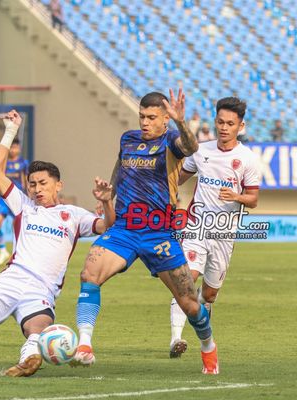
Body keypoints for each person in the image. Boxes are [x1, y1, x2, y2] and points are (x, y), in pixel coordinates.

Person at [0, 110, 115, 377]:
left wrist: (107, 201)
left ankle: (28, 360)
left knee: (37, 331)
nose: (37, 189)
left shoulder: (74, 216)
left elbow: (107, 225)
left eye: (43, 183)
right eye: (32, 184)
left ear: (58, 185)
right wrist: (10, 131)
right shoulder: (24, 207)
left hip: (42, 290)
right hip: (10, 281)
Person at [70, 88, 220, 375]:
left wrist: (181, 122)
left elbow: (191, 148)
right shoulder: (128, 139)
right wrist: (108, 194)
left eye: (152, 117)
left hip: (159, 233)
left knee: (189, 303)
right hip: (125, 228)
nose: (145, 122)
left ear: (165, 119)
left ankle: (208, 347)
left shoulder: (171, 142)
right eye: (142, 116)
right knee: (90, 274)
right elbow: (121, 164)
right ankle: (85, 346)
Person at [168, 97, 260, 359]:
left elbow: (253, 199)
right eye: (220, 122)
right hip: (197, 227)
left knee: (208, 294)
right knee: (186, 281)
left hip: (223, 233)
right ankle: (176, 338)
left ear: (240, 126)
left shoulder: (247, 159)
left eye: (230, 123)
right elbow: (178, 178)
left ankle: (203, 334)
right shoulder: (200, 150)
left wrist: (237, 197)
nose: (224, 127)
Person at [0, 137, 28, 266]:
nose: (13, 150)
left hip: (17, 198)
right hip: (3, 198)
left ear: (19, 149)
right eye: (11, 147)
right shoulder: (4, 163)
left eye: (15, 147)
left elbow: (27, 182)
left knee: (17, 227)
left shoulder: (24, 163)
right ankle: (2, 250)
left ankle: (18, 253)